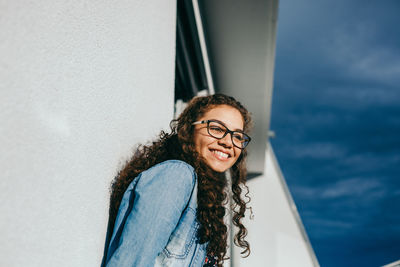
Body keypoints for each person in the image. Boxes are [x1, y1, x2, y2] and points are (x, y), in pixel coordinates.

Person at [101, 94, 252, 267]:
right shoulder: (177, 176)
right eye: (217, 128)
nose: (228, 142)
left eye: (238, 137)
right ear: (189, 129)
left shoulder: (204, 200)